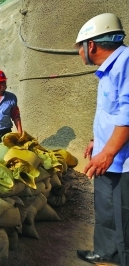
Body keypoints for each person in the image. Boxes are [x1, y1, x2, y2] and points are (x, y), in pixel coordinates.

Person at [74, 13, 129, 265]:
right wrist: (98, 141)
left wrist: (108, 152)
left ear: (91, 45)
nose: (79, 53)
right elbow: (113, 112)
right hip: (107, 156)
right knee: (106, 210)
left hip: (122, 161)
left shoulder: (126, 62)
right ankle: (105, 253)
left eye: (79, 48)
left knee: (123, 218)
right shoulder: (106, 70)